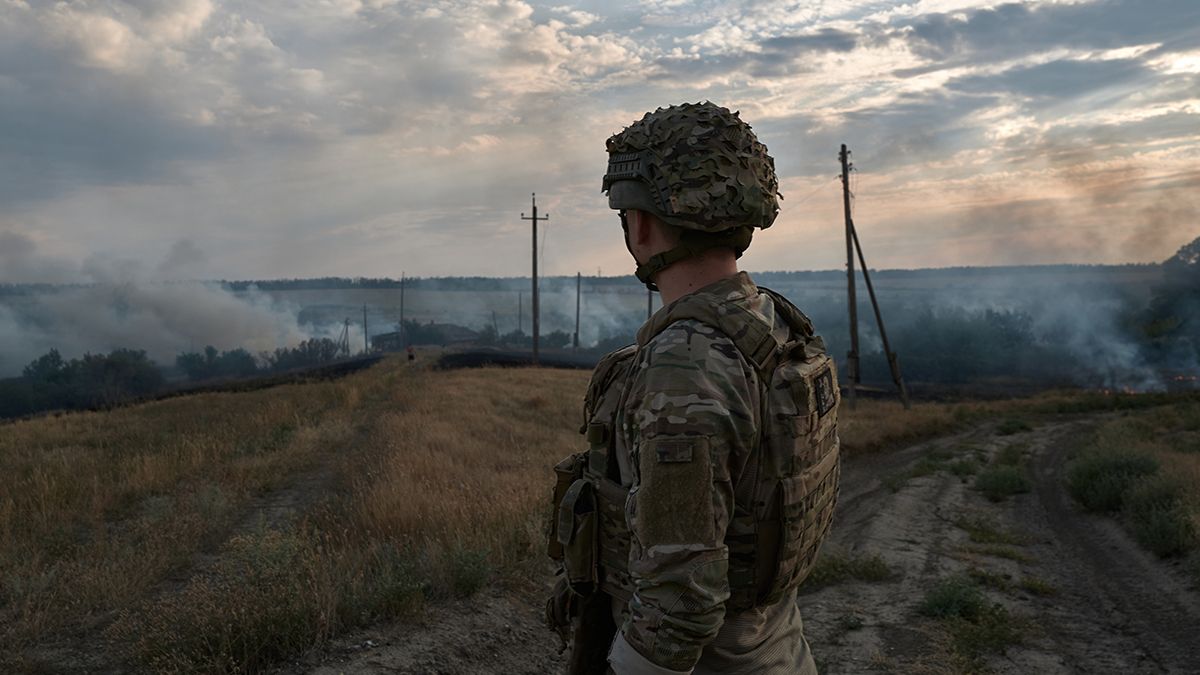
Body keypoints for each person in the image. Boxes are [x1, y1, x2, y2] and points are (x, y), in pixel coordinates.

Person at [546, 102, 842, 675]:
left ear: (643, 223)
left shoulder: (685, 365)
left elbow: (679, 607)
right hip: (779, 649)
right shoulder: (774, 325)